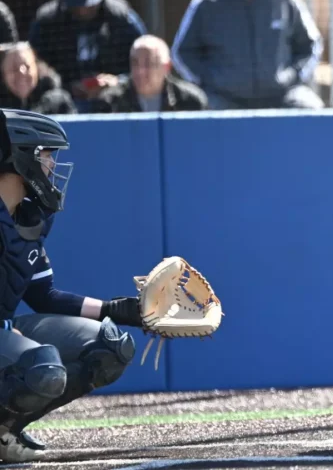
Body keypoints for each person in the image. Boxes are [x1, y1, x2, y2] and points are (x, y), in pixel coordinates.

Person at [0, 109, 144, 462]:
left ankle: (4, 430)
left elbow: (43, 296)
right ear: (19, 157)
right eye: (47, 155)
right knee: (42, 366)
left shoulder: (27, 217)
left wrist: (119, 310)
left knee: (109, 347)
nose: (52, 165)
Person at [171, 0, 326, 110]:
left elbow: (311, 45)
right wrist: (209, 79)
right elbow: (182, 52)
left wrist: (294, 75)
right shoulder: (207, 3)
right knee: (204, 110)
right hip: (225, 99)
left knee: (311, 107)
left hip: (281, 95)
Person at [27, 0, 147, 107]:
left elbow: (146, 60)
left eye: (89, 4)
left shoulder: (121, 17)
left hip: (117, 103)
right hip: (61, 104)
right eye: (76, 5)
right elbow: (33, 64)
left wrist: (118, 81)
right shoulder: (46, 22)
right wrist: (65, 85)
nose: (83, 10)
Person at [91, 35, 207, 113]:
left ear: (166, 67)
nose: (140, 71)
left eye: (149, 63)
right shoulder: (110, 102)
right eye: (135, 63)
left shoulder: (190, 102)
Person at [0, 42, 76, 115]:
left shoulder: (59, 102)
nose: (22, 72)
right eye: (14, 68)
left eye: (27, 66)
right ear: (3, 74)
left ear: (36, 68)